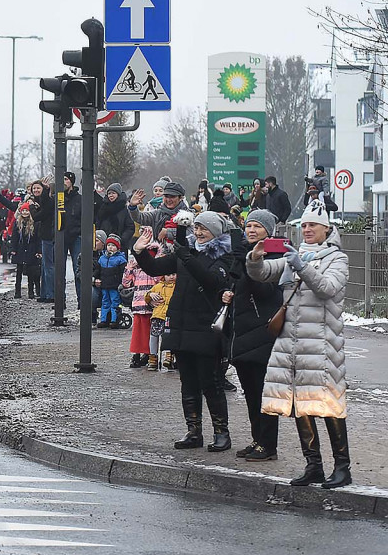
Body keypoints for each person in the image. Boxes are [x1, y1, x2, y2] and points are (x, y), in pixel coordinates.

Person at [246, 200, 351, 488]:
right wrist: (254, 259)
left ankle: (342, 467)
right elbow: (262, 272)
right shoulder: (296, 253)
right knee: (299, 405)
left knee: (329, 406)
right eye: (303, 225)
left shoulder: (337, 258)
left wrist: (302, 267)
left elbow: (327, 289)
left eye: (312, 225)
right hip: (290, 345)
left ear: (326, 229)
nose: (306, 229)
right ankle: (313, 465)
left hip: (321, 345)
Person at [133, 211, 234, 452]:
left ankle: (222, 432)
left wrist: (186, 256)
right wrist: (139, 251)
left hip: (206, 326)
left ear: (216, 233)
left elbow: (211, 281)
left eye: (204, 229)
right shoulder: (185, 252)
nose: (198, 233)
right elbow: (154, 268)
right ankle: (193, 431)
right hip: (181, 323)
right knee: (187, 382)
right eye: (196, 228)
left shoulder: (224, 257)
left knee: (211, 383)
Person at [221, 209, 282, 462]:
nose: (251, 230)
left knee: (264, 393)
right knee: (251, 392)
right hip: (243, 333)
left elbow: (268, 293)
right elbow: (240, 287)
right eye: (249, 226)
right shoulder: (244, 254)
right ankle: (258, 439)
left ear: (269, 230)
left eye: (258, 226)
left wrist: (250, 265)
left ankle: (268, 445)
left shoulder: (276, 256)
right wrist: (227, 293)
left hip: (264, 333)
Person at [123, 241, 156, 368]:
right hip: (138, 305)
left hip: (151, 306)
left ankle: (148, 354)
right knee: (137, 333)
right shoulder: (136, 269)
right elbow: (126, 283)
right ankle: (137, 353)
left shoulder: (155, 270)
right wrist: (129, 269)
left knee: (149, 332)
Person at [52, 172, 83, 307]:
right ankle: (60, 300)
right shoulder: (56, 198)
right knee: (59, 269)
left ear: (71, 182)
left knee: (78, 269)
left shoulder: (79, 199)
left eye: (65, 179)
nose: (63, 182)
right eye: (61, 179)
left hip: (75, 236)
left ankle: (82, 301)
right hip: (60, 236)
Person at [93, 235, 127, 328]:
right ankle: (104, 319)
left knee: (115, 302)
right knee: (105, 302)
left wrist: (123, 283)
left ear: (117, 247)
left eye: (113, 245)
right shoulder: (102, 258)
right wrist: (95, 277)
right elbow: (98, 270)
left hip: (115, 285)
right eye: (109, 245)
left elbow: (123, 273)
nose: (110, 247)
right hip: (104, 285)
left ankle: (114, 319)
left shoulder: (120, 259)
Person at [145, 272, 176, 371]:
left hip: (170, 315)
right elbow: (147, 297)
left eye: (174, 274)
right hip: (157, 315)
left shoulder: (178, 286)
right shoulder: (158, 286)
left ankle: (168, 356)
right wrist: (150, 295)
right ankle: (153, 357)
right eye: (168, 275)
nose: (171, 277)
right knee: (153, 336)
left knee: (168, 336)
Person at [10, 203, 40, 299]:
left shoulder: (34, 223)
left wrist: (38, 250)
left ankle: (31, 291)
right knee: (19, 271)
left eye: (26, 211)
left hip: (31, 248)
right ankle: (17, 292)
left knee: (31, 272)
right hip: (20, 249)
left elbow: (37, 238)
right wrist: (13, 249)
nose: (25, 212)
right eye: (23, 211)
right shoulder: (17, 223)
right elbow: (14, 237)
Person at [95, 183, 136, 251]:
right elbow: (98, 223)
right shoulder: (103, 208)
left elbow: (130, 227)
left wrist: (122, 240)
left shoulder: (124, 209)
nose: (111, 195)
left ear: (118, 194)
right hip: (104, 244)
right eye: (109, 193)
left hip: (119, 246)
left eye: (113, 193)